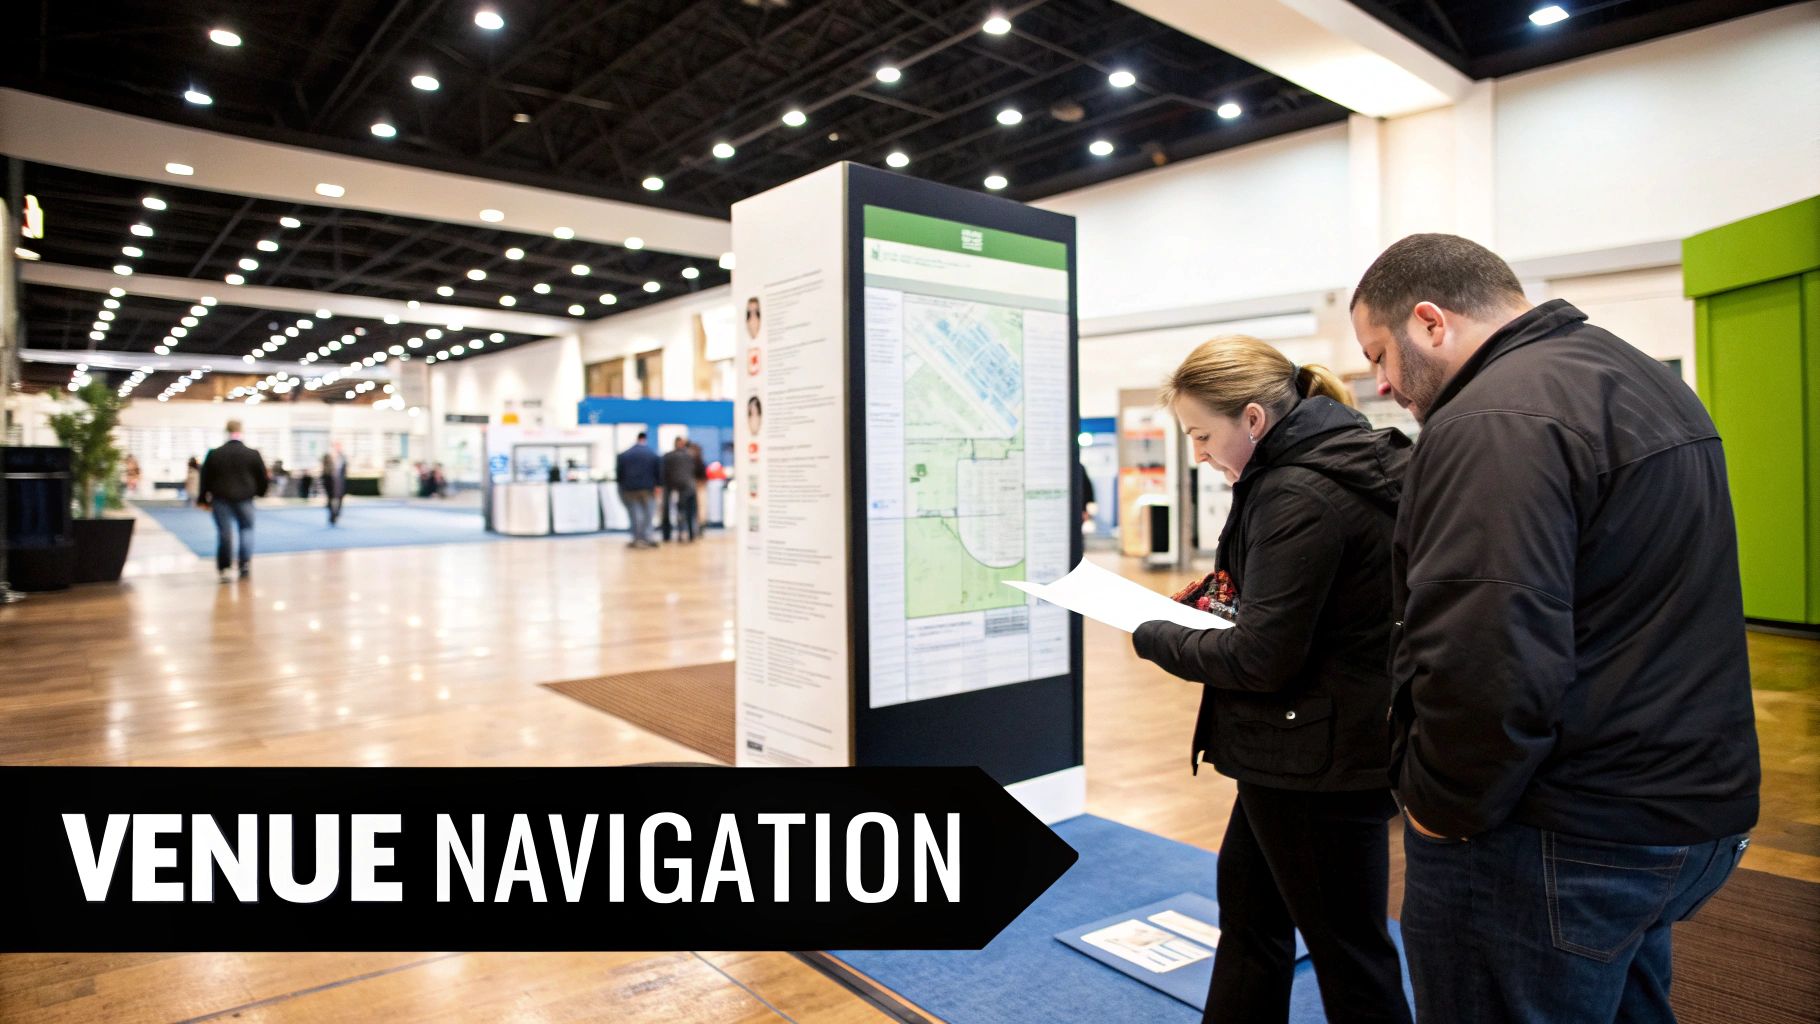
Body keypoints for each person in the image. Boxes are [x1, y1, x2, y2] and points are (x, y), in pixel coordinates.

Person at [1348, 234, 1759, 1023]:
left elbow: (1485, 652)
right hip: (1676, 812)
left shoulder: (1492, 418)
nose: (1382, 383)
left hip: (1556, 835)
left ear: (1431, 322)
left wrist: (1441, 810)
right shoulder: (1637, 377)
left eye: (1380, 354)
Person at [1131, 336, 1413, 1024]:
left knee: (1348, 953)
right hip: (1302, 750)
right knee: (1253, 919)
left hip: (1315, 760)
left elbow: (1263, 657)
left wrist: (1153, 633)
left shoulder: (1299, 493)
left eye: (1202, 434)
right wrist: (1219, 602)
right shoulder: (1336, 464)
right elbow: (1307, 611)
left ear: (1253, 419)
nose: (1197, 451)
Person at [196, 419, 268, 583]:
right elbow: (262, 478)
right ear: (241, 431)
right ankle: (244, 565)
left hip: (221, 499)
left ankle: (225, 568)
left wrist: (203, 498)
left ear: (226, 431)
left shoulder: (214, 453)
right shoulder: (252, 454)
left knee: (224, 533)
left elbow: (205, 478)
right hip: (245, 499)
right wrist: (260, 493)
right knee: (246, 530)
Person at [616, 432, 660, 548]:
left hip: (629, 489)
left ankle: (637, 538)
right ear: (645, 439)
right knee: (648, 514)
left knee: (635, 514)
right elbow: (658, 473)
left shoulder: (625, 454)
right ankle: (648, 537)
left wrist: (622, 487)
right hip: (647, 489)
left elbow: (619, 475)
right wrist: (658, 486)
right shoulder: (652, 454)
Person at [662, 436, 702, 543]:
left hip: (674, 488)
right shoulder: (690, 456)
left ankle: (670, 536)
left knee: (677, 512)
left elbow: (664, 473)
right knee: (688, 512)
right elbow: (697, 471)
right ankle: (690, 535)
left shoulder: (668, 456)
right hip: (687, 487)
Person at [320, 443, 348, 526]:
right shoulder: (327, 459)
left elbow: (344, 470)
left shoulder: (342, 458)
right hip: (331, 484)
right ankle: (333, 516)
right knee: (331, 500)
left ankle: (335, 514)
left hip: (339, 483)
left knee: (338, 500)